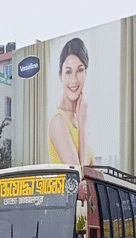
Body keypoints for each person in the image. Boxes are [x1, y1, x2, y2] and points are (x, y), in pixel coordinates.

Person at [48, 37, 94, 166]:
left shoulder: (79, 116)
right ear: (60, 76)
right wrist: (82, 125)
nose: (74, 80)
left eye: (80, 70)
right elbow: (80, 175)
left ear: (85, 73)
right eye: (68, 72)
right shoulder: (59, 121)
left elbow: (95, 175)